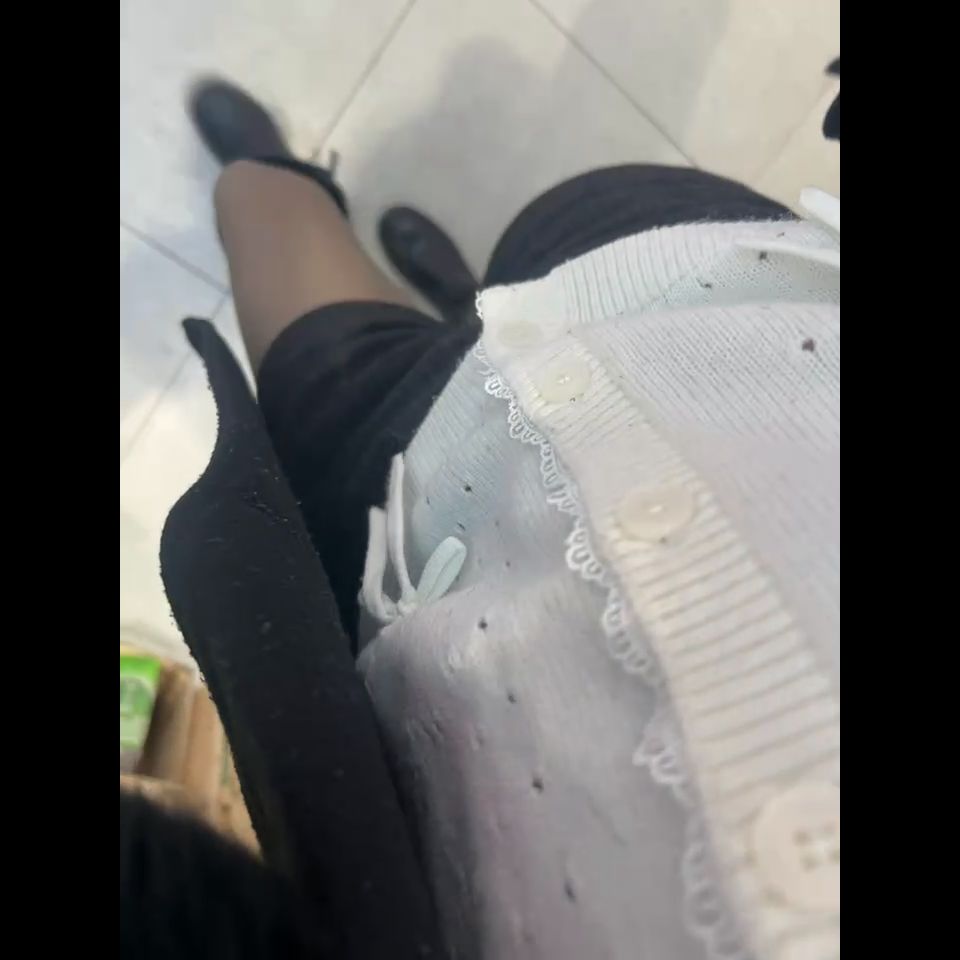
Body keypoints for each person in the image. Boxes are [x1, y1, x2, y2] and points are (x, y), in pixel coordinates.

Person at [150, 74, 839, 960]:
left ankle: (296, 180)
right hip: (721, 304)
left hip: (404, 536)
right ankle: (471, 301)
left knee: (259, 206)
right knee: (574, 211)